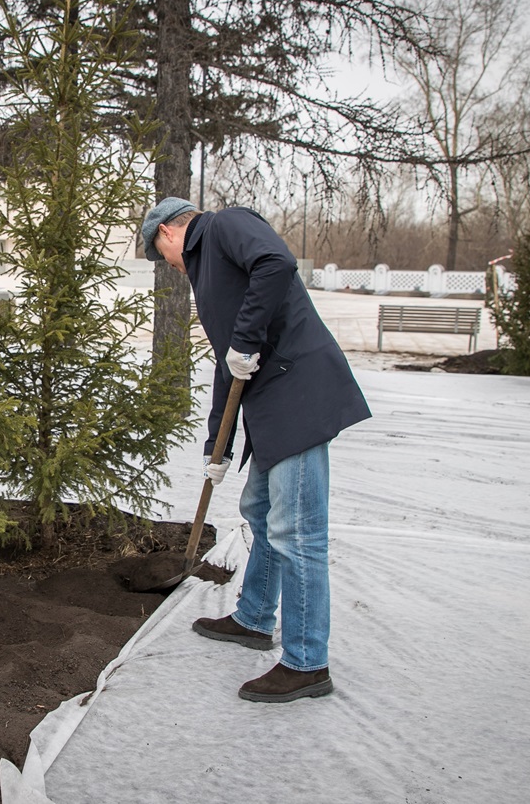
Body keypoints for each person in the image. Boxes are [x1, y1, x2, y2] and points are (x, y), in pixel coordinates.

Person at [142, 197, 371, 704]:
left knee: (298, 531)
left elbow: (277, 263)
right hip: (273, 403)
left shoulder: (224, 225)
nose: (170, 267)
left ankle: (307, 662)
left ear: (167, 234)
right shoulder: (209, 274)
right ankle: (254, 616)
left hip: (300, 395)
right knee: (260, 510)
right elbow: (232, 362)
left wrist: (245, 339)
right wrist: (216, 447)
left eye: (163, 257)